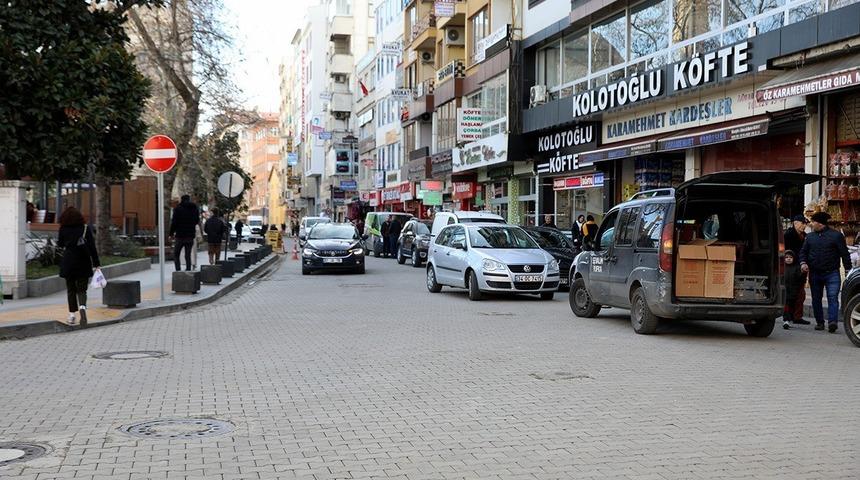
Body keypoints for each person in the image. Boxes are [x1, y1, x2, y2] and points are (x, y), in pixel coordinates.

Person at [799, 211, 852, 333]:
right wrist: (803, 263)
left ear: (820, 223)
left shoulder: (836, 236)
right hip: (815, 273)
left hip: (832, 273)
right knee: (816, 299)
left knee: (832, 298)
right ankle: (820, 322)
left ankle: (832, 322)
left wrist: (848, 269)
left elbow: (844, 253)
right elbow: (803, 252)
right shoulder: (810, 237)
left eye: (813, 222)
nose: (811, 224)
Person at [57, 206, 100, 326]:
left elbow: (60, 244)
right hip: (83, 262)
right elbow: (92, 248)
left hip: (68, 262)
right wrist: (97, 264)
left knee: (71, 290)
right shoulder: (85, 228)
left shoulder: (63, 229)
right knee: (82, 290)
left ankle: (71, 315)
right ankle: (82, 309)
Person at [169, 194, 200, 271]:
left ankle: (178, 270)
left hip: (180, 235)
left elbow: (174, 223)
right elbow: (197, 221)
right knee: (188, 254)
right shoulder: (194, 208)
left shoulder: (177, 209)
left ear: (181, 200)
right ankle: (188, 269)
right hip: (190, 235)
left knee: (176, 254)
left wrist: (171, 234)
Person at [783, 250, 807, 330]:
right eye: (786, 257)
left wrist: (803, 273)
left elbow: (800, 278)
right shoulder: (782, 268)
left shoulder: (796, 267)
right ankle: (786, 321)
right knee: (786, 306)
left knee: (793, 306)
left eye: (790, 257)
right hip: (785, 291)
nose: (788, 259)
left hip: (794, 291)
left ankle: (793, 318)